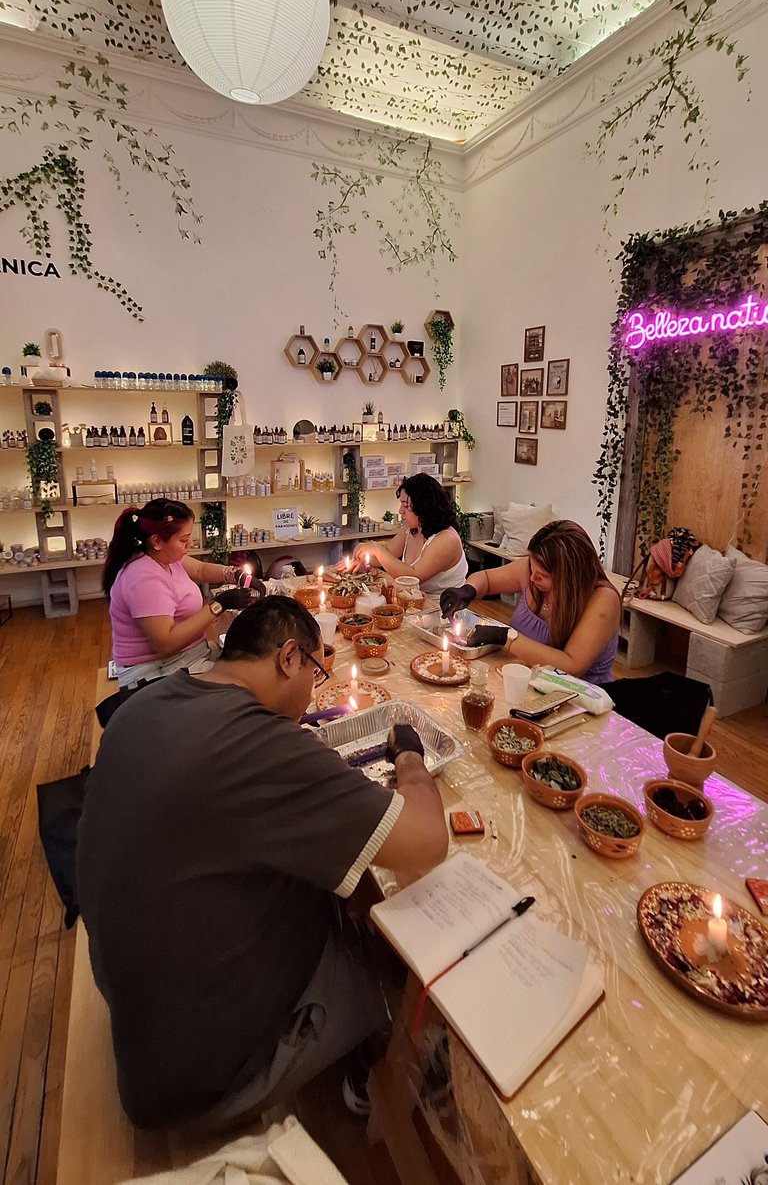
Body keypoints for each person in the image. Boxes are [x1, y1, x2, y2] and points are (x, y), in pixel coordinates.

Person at [77, 595, 448, 1130]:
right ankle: (375, 1071)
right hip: (196, 1081)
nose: (313, 692)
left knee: (323, 871)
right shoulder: (256, 743)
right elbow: (427, 840)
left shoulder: (149, 704)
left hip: (143, 1021)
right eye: (317, 673)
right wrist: (410, 758)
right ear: (289, 658)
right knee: (379, 929)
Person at [440, 519, 621, 682]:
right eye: (532, 569)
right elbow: (486, 579)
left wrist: (506, 637)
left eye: (542, 576)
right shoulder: (534, 570)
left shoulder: (603, 600)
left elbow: (572, 667)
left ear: (569, 577)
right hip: (520, 680)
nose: (532, 578)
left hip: (578, 702)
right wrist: (468, 590)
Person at [103, 499, 256, 689]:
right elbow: (165, 644)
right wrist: (218, 605)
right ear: (157, 541)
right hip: (154, 674)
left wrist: (234, 574)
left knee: (247, 661)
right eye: (184, 540)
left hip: (188, 656)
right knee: (247, 682)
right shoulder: (143, 578)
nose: (189, 544)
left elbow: (200, 569)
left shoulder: (163, 556)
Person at [342, 474, 468, 596]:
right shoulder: (412, 528)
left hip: (441, 609)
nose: (400, 511)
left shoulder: (446, 540)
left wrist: (376, 549)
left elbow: (413, 577)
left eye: (406, 505)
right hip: (411, 599)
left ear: (424, 507)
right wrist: (363, 561)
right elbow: (389, 553)